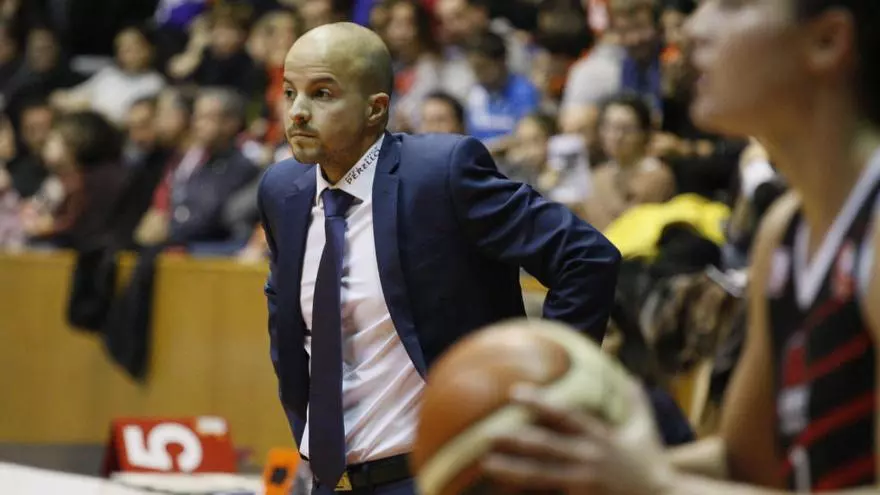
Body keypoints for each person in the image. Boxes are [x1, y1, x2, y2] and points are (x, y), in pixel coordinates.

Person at [481, 0, 880, 493]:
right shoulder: (783, 230)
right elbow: (744, 462)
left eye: (731, 5)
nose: (694, 27)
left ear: (827, 41)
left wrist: (653, 481)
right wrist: (582, 467)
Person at [257, 22, 620, 495]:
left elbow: (585, 257)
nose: (298, 112)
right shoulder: (282, 190)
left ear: (375, 109)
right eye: (290, 92)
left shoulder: (438, 174)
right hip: (330, 480)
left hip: (440, 475)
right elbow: (287, 327)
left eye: (322, 94)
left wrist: (545, 399)